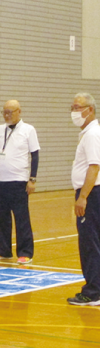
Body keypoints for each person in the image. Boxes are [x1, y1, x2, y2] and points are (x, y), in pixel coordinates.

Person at [0, 99, 40, 264]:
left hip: (19, 181)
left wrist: (32, 179)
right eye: (4, 112)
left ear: (19, 112)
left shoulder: (28, 130)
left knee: (21, 218)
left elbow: (35, 155)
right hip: (1, 181)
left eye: (10, 112)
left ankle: (25, 252)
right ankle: (3, 250)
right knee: (2, 217)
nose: (7, 115)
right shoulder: (0, 130)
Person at [68, 93, 100, 306]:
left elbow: (94, 166)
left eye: (78, 107)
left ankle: (92, 292)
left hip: (92, 194)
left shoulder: (92, 134)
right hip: (93, 193)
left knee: (89, 243)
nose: (74, 111)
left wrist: (83, 197)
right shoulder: (89, 133)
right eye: (72, 107)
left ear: (91, 110)